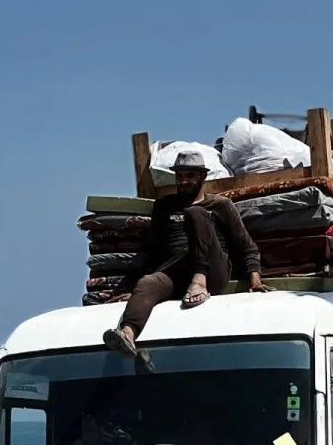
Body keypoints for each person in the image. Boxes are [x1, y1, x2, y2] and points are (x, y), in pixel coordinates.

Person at [103, 151, 267, 358]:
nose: (184, 181)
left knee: (195, 213)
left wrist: (255, 280)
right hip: (175, 273)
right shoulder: (164, 207)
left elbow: (246, 245)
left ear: (202, 178)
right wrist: (135, 289)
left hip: (212, 272)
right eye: (179, 176)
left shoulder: (220, 206)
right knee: (147, 283)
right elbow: (153, 250)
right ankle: (127, 334)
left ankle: (199, 278)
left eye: (190, 176)